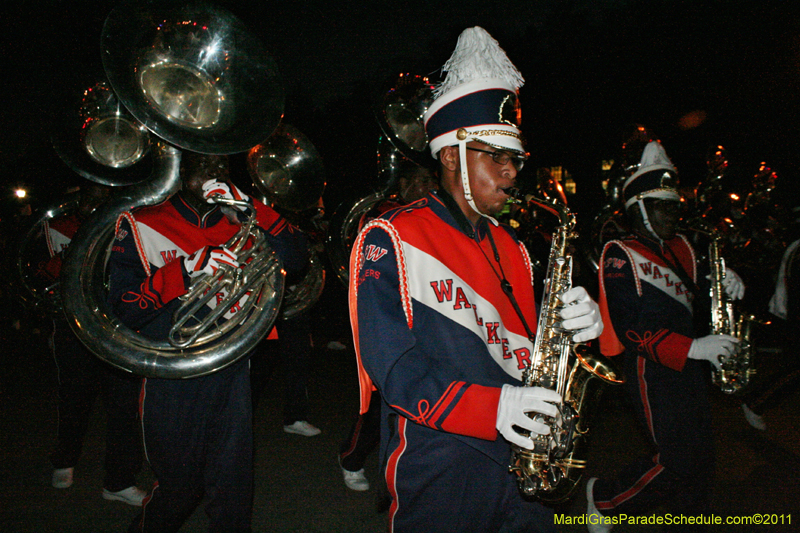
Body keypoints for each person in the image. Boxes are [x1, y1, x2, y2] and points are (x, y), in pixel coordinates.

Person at [348, 27, 603, 532]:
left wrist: (575, 334)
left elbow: (528, 351)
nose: (511, 173)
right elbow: (392, 367)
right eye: (497, 158)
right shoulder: (391, 235)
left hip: (524, 458)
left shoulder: (514, 248)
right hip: (441, 461)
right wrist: (493, 406)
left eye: (516, 160)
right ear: (450, 155)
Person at [108, 151, 308, 533]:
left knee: (233, 492)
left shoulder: (244, 221)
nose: (214, 171)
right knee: (180, 488)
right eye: (202, 164)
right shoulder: (141, 222)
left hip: (232, 368)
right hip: (171, 374)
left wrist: (252, 209)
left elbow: (296, 259)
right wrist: (182, 271)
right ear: (181, 172)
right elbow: (122, 310)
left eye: (221, 164)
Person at [588, 141, 745, 532]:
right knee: (676, 459)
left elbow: (701, 292)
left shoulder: (685, 247)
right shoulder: (619, 252)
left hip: (692, 363)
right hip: (650, 368)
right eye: (665, 205)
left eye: (676, 204)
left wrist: (726, 282)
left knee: (702, 458)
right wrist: (691, 347)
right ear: (639, 208)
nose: (675, 212)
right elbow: (630, 328)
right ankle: (604, 498)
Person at [38, 183, 146, 506]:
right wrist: (82, 241)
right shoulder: (57, 224)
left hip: (116, 326)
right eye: (93, 190)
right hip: (74, 326)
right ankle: (64, 459)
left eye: (106, 191)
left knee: (125, 405)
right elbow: (44, 273)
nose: (100, 197)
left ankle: (119, 481)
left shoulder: (127, 223)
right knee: (74, 396)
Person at [338, 160, 438, 492]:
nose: (428, 187)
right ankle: (351, 458)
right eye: (421, 181)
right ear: (406, 184)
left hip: (422, 317)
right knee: (380, 400)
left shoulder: (431, 218)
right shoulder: (382, 217)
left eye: (430, 181)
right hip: (388, 316)